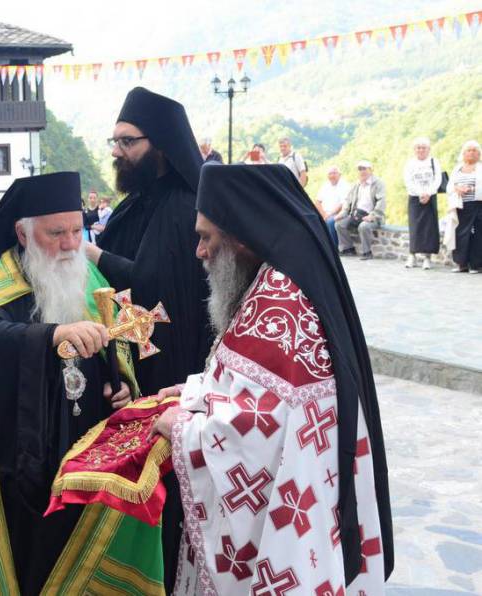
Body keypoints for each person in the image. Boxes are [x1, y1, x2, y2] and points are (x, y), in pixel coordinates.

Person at [152, 163, 394, 594]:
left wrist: (183, 427)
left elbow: (255, 433)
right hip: (312, 503)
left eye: (206, 237)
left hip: (290, 515)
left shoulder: (279, 302)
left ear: (242, 237)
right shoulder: (279, 281)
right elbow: (260, 392)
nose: (199, 251)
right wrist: (197, 390)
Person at [0, 172, 164, 595]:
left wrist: (122, 386)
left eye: (76, 230)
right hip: (20, 458)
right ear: (23, 233)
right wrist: (52, 335)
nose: (71, 244)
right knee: (30, 561)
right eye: (56, 233)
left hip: (87, 449)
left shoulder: (91, 278)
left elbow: (118, 344)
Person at [86, 86, 210, 591]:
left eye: (128, 141)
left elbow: (153, 288)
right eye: (114, 141)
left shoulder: (181, 204)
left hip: (171, 364)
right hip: (138, 357)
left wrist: (94, 257)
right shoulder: (138, 202)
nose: (117, 151)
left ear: (158, 144)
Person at [402, 137, 443, 270]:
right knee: (415, 227)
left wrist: (428, 193)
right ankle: (412, 255)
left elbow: (438, 179)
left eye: (423, 147)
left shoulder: (434, 161)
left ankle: (427, 257)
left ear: (428, 149)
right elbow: (408, 181)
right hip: (415, 198)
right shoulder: (410, 163)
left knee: (429, 228)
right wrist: (420, 193)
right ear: (414, 149)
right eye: (418, 147)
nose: (421, 150)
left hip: (430, 197)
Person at [335, 160, 386, 260]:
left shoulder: (378, 183)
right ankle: (348, 249)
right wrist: (343, 212)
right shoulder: (357, 184)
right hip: (356, 214)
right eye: (360, 169)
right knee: (339, 224)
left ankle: (367, 252)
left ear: (370, 170)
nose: (362, 171)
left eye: (364, 169)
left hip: (373, 216)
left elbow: (381, 201)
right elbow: (348, 200)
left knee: (363, 226)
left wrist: (373, 215)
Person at [447, 140, 482, 273]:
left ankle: (476, 265)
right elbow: (449, 186)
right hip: (460, 206)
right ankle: (461, 264)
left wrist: (471, 189)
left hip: (478, 206)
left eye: (474, 150)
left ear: (479, 154)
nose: (471, 153)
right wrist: (457, 188)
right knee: (460, 234)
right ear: (464, 153)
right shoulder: (457, 168)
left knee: (478, 234)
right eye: (469, 150)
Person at [315, 166, 349, 246]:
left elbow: (342, 204)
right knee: (312, 220)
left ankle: (333, 248)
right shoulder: (325, 185)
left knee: (330, 222)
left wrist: (329, 215)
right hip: (325, 214)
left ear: (339, 175)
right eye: (330, 174)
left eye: (334, 173)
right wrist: (324, 214)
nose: (332, 176)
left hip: (338, 214)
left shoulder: (345, 185)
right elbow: (317, 202)